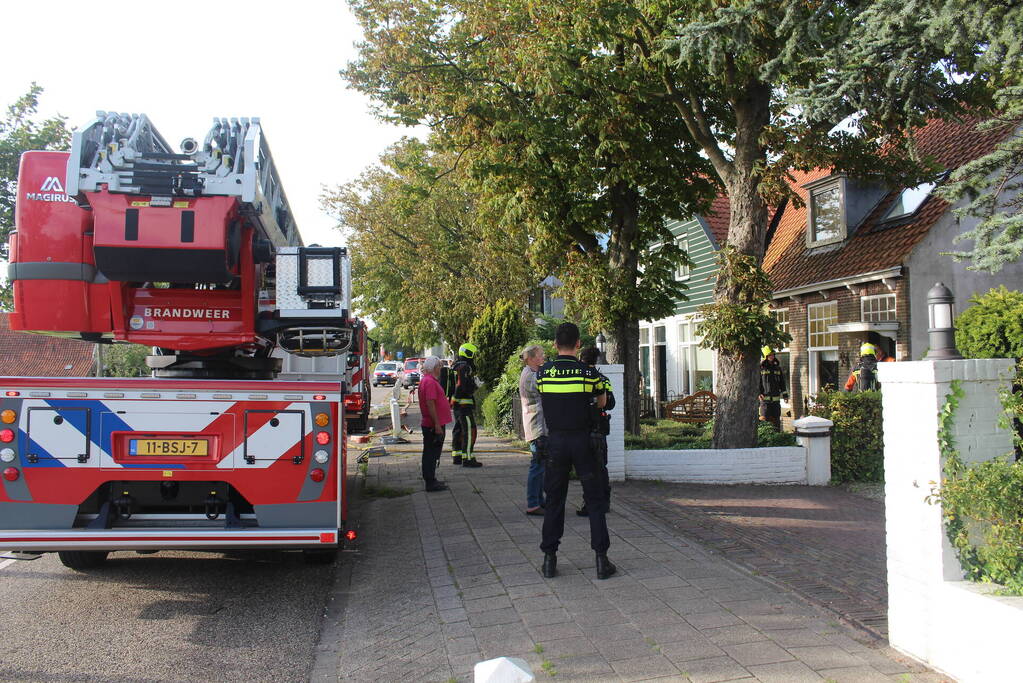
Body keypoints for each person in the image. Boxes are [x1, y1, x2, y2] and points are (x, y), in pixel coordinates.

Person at [537, 322, 615, 580]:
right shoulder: (588, 374)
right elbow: (602, 401)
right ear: (578, 344)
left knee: (554, 501)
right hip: (584, 441)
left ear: (555, 344)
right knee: (594, 501)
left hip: (556, 443)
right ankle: (601, 560)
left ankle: (549, 559)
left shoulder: (543, 374)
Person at [576, 346, 614, 517]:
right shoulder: (602, 379)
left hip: (583, 428)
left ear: (581, 358)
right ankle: (604, 501)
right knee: (601, 467)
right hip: (600, 429)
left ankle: (589, 504)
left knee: (586, 469)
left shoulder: (578, 378)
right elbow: (610, 404)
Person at [519, 344, 547, 516]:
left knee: (540, 464)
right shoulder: (530, 376)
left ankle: (539, 501)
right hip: (536, 427)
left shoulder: (531, 373)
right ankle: (533, 503)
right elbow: (545, 388)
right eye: (540, 355)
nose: (543, 357)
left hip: (538, 426)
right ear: (530, 358)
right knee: (537, 465)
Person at [418, 356, 451, 491]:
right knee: (431, 454)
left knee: (430, 453)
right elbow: (430, 403)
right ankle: (430, 482)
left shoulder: (427, 380)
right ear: (434, 368)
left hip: (431, 423)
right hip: (432, 425)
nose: (441, 369)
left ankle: (431, 479)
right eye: (439, 366)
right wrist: (437, 425)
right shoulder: (430, 382)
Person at [450, 342, 482, 468]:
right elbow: (461, 385)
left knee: (458, 430)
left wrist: (453, 400)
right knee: (469, 430)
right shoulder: (465, 367)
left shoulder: (455, 365)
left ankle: (457, 456)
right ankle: (468, 458)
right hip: (464, 405)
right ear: (468, 354)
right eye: (473, 354)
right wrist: (475, 385)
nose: (474, 357)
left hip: (458, 406)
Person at [759, 347, 787, 431]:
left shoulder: (777, 368)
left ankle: (777, 438)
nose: (772, 356)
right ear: (765, 356)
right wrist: (759, 393)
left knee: (776, 421)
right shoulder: (761, 368)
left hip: (776, 401)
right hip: (765, 401)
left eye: (773, 355)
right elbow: (758, 382)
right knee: (764, 421)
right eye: (769, 355)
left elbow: (782, 382)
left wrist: (785, 395)